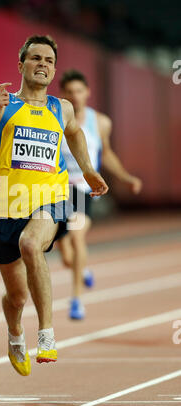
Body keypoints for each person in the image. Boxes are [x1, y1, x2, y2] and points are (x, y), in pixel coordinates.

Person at [0, 36, 108, 377]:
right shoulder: (0, 104)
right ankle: (15, 333)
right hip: (3, 209)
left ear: (53, 69)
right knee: (17, 297)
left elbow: (75, 133)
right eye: (35, 58)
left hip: (49, 200)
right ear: (21, 64)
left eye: (49, 60)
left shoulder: (61, 107)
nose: (43, 64)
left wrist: (88, 170)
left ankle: (47, 336)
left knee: (30, 244)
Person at [58, 69, 142, 320]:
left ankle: (76, 301)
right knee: (65, 255)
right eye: (70, 92)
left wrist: (126, 177)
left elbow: (106, 154)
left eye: (79, 91)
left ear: (87, 92)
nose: (75, 96)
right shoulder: (55, 119)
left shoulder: (100, 123)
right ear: (63, 95)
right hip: (57, 190)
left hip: (85, 190)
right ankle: (81, 270)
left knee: (76, 236)